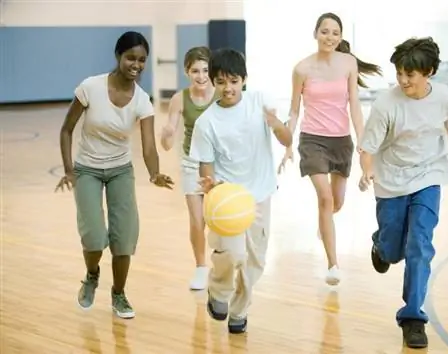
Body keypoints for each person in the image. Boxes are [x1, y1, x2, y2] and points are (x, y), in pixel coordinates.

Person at [358, 37, 448, 349]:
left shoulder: (445, 99)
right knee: (394, 251)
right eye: (400, 74)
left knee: (420, 243)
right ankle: (381, 245)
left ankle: (412, 318)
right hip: (391, 179)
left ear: (429, 72)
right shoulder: (386, 105)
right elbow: (367, 149)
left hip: (429, 175)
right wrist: (367, 169)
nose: (404, 80)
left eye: (411, 74)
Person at [55, 31, 174, 319]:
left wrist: (154, 173)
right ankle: (92, 274)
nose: (137, 64)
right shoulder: (90, 87)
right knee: (94, 237)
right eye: (131, 57)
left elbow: (148, 146)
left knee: (124, 237)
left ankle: (119, 294)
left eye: (142, 60)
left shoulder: (142, 100)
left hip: (121, 169)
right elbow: (66, 129)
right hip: (87, 169)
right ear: (118, 56)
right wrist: (69, 170)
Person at [189, 48, 292, 334]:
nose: (228, 88)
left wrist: (275, 124)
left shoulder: (260, 102)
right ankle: (219, 292)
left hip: (260, 195)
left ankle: (240, 311)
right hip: (229, 199)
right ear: (212, 82)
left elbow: (287, 139)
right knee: (233, 254)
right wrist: (210, 185)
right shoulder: (206, 122)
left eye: (233, 81)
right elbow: (205, 167)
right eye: (221, 82)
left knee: (254, 261)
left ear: (244, 80)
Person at [279, 12, 382, 285]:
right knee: (324, 198)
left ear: (340, 37)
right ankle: (333, 265)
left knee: (336, 203)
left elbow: (356, 107)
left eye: (335, 32)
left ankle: (323, 224)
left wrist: (363, 143)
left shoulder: (348, 63)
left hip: (341, 141)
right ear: (315, 34)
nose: (330, 37)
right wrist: (288, 144)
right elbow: (293, 109)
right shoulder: (301, 69)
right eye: (325, 31)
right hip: (312, 140)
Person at [160, 46, 217, 291]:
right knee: (197, 219)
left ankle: (223, 264)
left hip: (219, 164)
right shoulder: (179, 99)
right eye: (195, 71)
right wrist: (167, 133)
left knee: (218, 217)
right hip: (191, 162)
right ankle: (201, 267)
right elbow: (166, 143)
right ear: (187, 72)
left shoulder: (220, 93)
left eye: (205, 70)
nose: (201, 76)